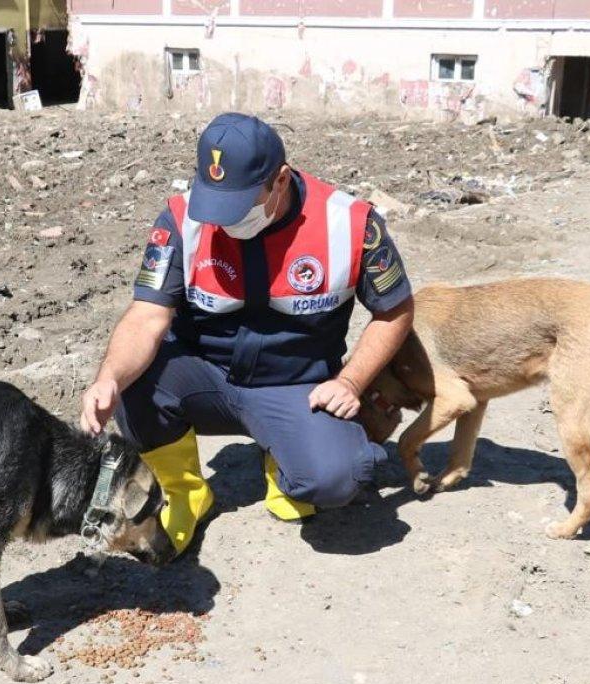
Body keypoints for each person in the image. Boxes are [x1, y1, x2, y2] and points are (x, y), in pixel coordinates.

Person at [79, 112, 414, 557]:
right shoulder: (181, 220)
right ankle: (185, 492)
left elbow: (396, 311)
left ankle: (283, 457)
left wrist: (351, 381)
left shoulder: (350, 223)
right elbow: (145, 317)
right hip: (203, 378)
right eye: (214, 201)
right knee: (130, 378)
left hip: (294, 385)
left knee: (337, 478)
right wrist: (108, 378)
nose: (223, 219)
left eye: (238, 204)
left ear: (280, 180)